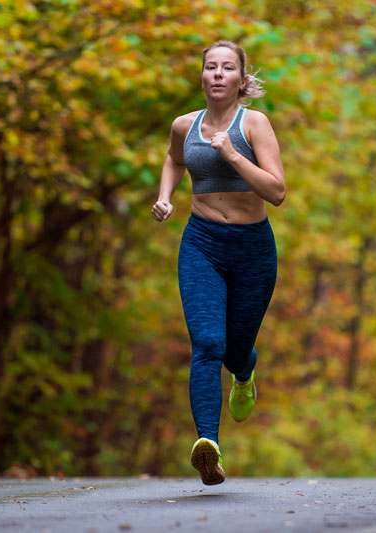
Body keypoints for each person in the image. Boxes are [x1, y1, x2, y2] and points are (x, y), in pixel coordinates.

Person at [151, 40, 285, 485]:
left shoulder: (256, 125)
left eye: (228, 68)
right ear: (203, 76)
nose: (218, 74)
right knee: (207, 343)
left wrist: (230, 154)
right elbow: (173, 161)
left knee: (233, 349)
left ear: (242, 80)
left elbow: (277, 192)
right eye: (211, 67)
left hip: (252, 249)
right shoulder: (184, 126)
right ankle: (208, 446)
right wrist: (164, 197)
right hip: (202, 243)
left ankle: (244, 373)